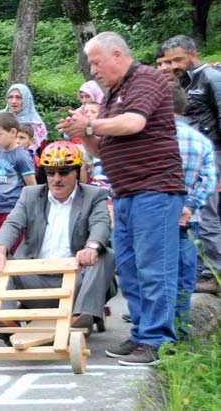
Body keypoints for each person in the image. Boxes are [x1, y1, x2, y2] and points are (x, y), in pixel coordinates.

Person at [57, 31, 185, 366]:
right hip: (125, 193)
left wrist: (90, 123)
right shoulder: (114, 94)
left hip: (154, 190)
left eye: (96, 63)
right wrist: (82, 134)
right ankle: (142, 333)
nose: (93, 71)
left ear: (117, 54)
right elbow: (102, 147)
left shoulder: (146, 79)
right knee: (128, 268)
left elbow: (133, 123)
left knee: (154, 267)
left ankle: (158, 341)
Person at [0, 142, 115, 338]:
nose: (56, 179)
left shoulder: (94, 195)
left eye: (63, 172)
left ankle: (82, 316)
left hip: (76, 281)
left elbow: (101, 223)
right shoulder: (30, 194)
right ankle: (4, 318)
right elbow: (12, 224)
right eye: (51, 173)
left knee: (105, 254)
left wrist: (91, 247)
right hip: (34, 279)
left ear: (77, 172)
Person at [158, 35, 221, 295]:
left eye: (178, 60)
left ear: (193, 55)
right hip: (189, 157)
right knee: (191, 213)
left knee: (207, 212)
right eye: (169, 61)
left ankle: (214, 273)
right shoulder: (184, 81)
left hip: (212, 154)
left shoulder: (211, 78)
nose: (173, 65)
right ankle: (199, 270)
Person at [0, 84, 47, 251]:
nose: (13, 101)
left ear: (26, 99)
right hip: (1, 173)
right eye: (10, 97)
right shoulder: (0, 119)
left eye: (18, 97)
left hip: (22, 182)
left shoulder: (36, 124)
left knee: (15, 242)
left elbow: (42, 153)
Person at [171, 83, 217, 337]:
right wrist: (190, 206)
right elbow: (208, 180)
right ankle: (180, 325)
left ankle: (154, 326)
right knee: (185, 273)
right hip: (190, 218)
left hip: (156, 215)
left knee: (155, 272)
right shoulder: (201, 141)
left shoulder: (154, 139)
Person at [0, 112, 37, 242]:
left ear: (13, 132)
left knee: (14, 250)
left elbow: (32, 187)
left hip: (15, 210)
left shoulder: (21, 156)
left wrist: (30, 213)